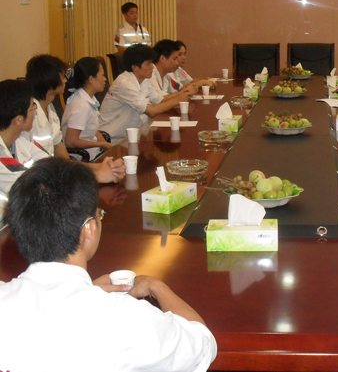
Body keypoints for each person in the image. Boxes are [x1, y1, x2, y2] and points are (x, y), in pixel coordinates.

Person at [0, 157, 217, 371]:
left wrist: (87, 290)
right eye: (99, 215)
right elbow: (203, 345)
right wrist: (156, 286)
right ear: (89, 228)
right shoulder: (120, 318)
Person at [0, 80, 124, 220]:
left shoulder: (21, 140)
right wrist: (96, 176)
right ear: (18, 119)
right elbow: (34, 191)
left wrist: (100, 167)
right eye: (32, 107)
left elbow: (54, 166)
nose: (35, 111)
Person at [99, 44, 190, 142]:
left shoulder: (143, 80)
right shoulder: (125, 83)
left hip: (133, 135)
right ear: (135, 67)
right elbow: (151, 111)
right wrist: (177, 99)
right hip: (113, 139)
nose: (152, 67)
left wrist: (181, 94)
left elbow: (158, 99)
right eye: (148, 64)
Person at [61, 57, 113, 161]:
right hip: (85, 157)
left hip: (94, 151)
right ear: (91, 79)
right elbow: (71, 141)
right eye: (102, 75)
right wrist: (101, 144)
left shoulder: (88, 98)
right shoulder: (81, 106)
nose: (105, 79)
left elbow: (92, 129)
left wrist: (108, 148)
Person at [24, 54, 68, 156]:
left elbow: (58, 145)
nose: (66, 80)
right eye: (62, 77)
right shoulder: (29, 114)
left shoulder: (50, 107)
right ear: (49, 79)